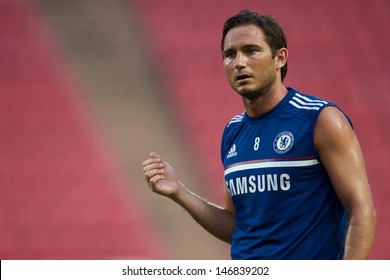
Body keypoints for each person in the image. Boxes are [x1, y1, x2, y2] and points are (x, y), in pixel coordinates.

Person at [142, 9, 376, 259]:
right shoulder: (233, 131)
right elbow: (237, 225)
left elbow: (361, 209)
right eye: (229, 55)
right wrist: (179, 191)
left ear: (280, 58)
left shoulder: (320, 119)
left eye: (251, 51)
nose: (239, 62)